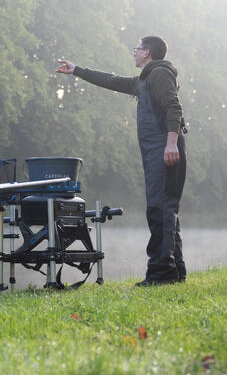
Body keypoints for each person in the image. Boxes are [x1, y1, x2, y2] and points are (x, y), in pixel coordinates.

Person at [56, 36, 187, 286]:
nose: (134, 53)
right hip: (157, 150)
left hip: (165, 148)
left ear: (147, 53)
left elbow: (174, 107)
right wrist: (77, 71)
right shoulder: (146, 79)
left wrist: (171, 144)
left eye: (136, 49)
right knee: (165, 209)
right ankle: (174, 271)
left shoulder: (159, 74)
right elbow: (112, 81)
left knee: (160, 209)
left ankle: (161, 273)